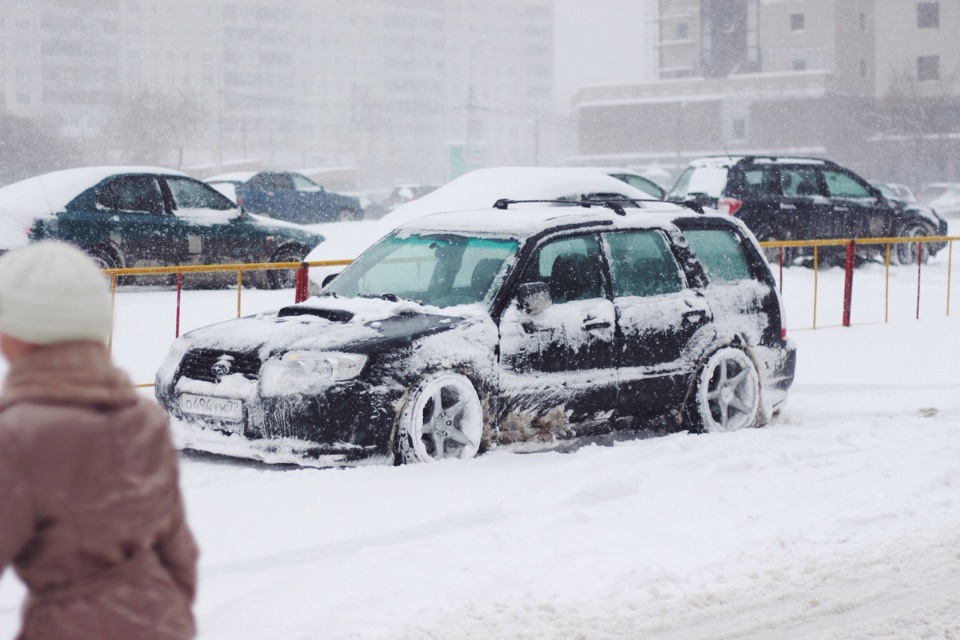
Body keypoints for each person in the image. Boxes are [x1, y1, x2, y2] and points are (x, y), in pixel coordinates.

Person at [0, 241, 198, 639]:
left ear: (18, 332)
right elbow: (178, 552)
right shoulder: (140, 417)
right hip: (162, 621)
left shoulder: (18, 435)